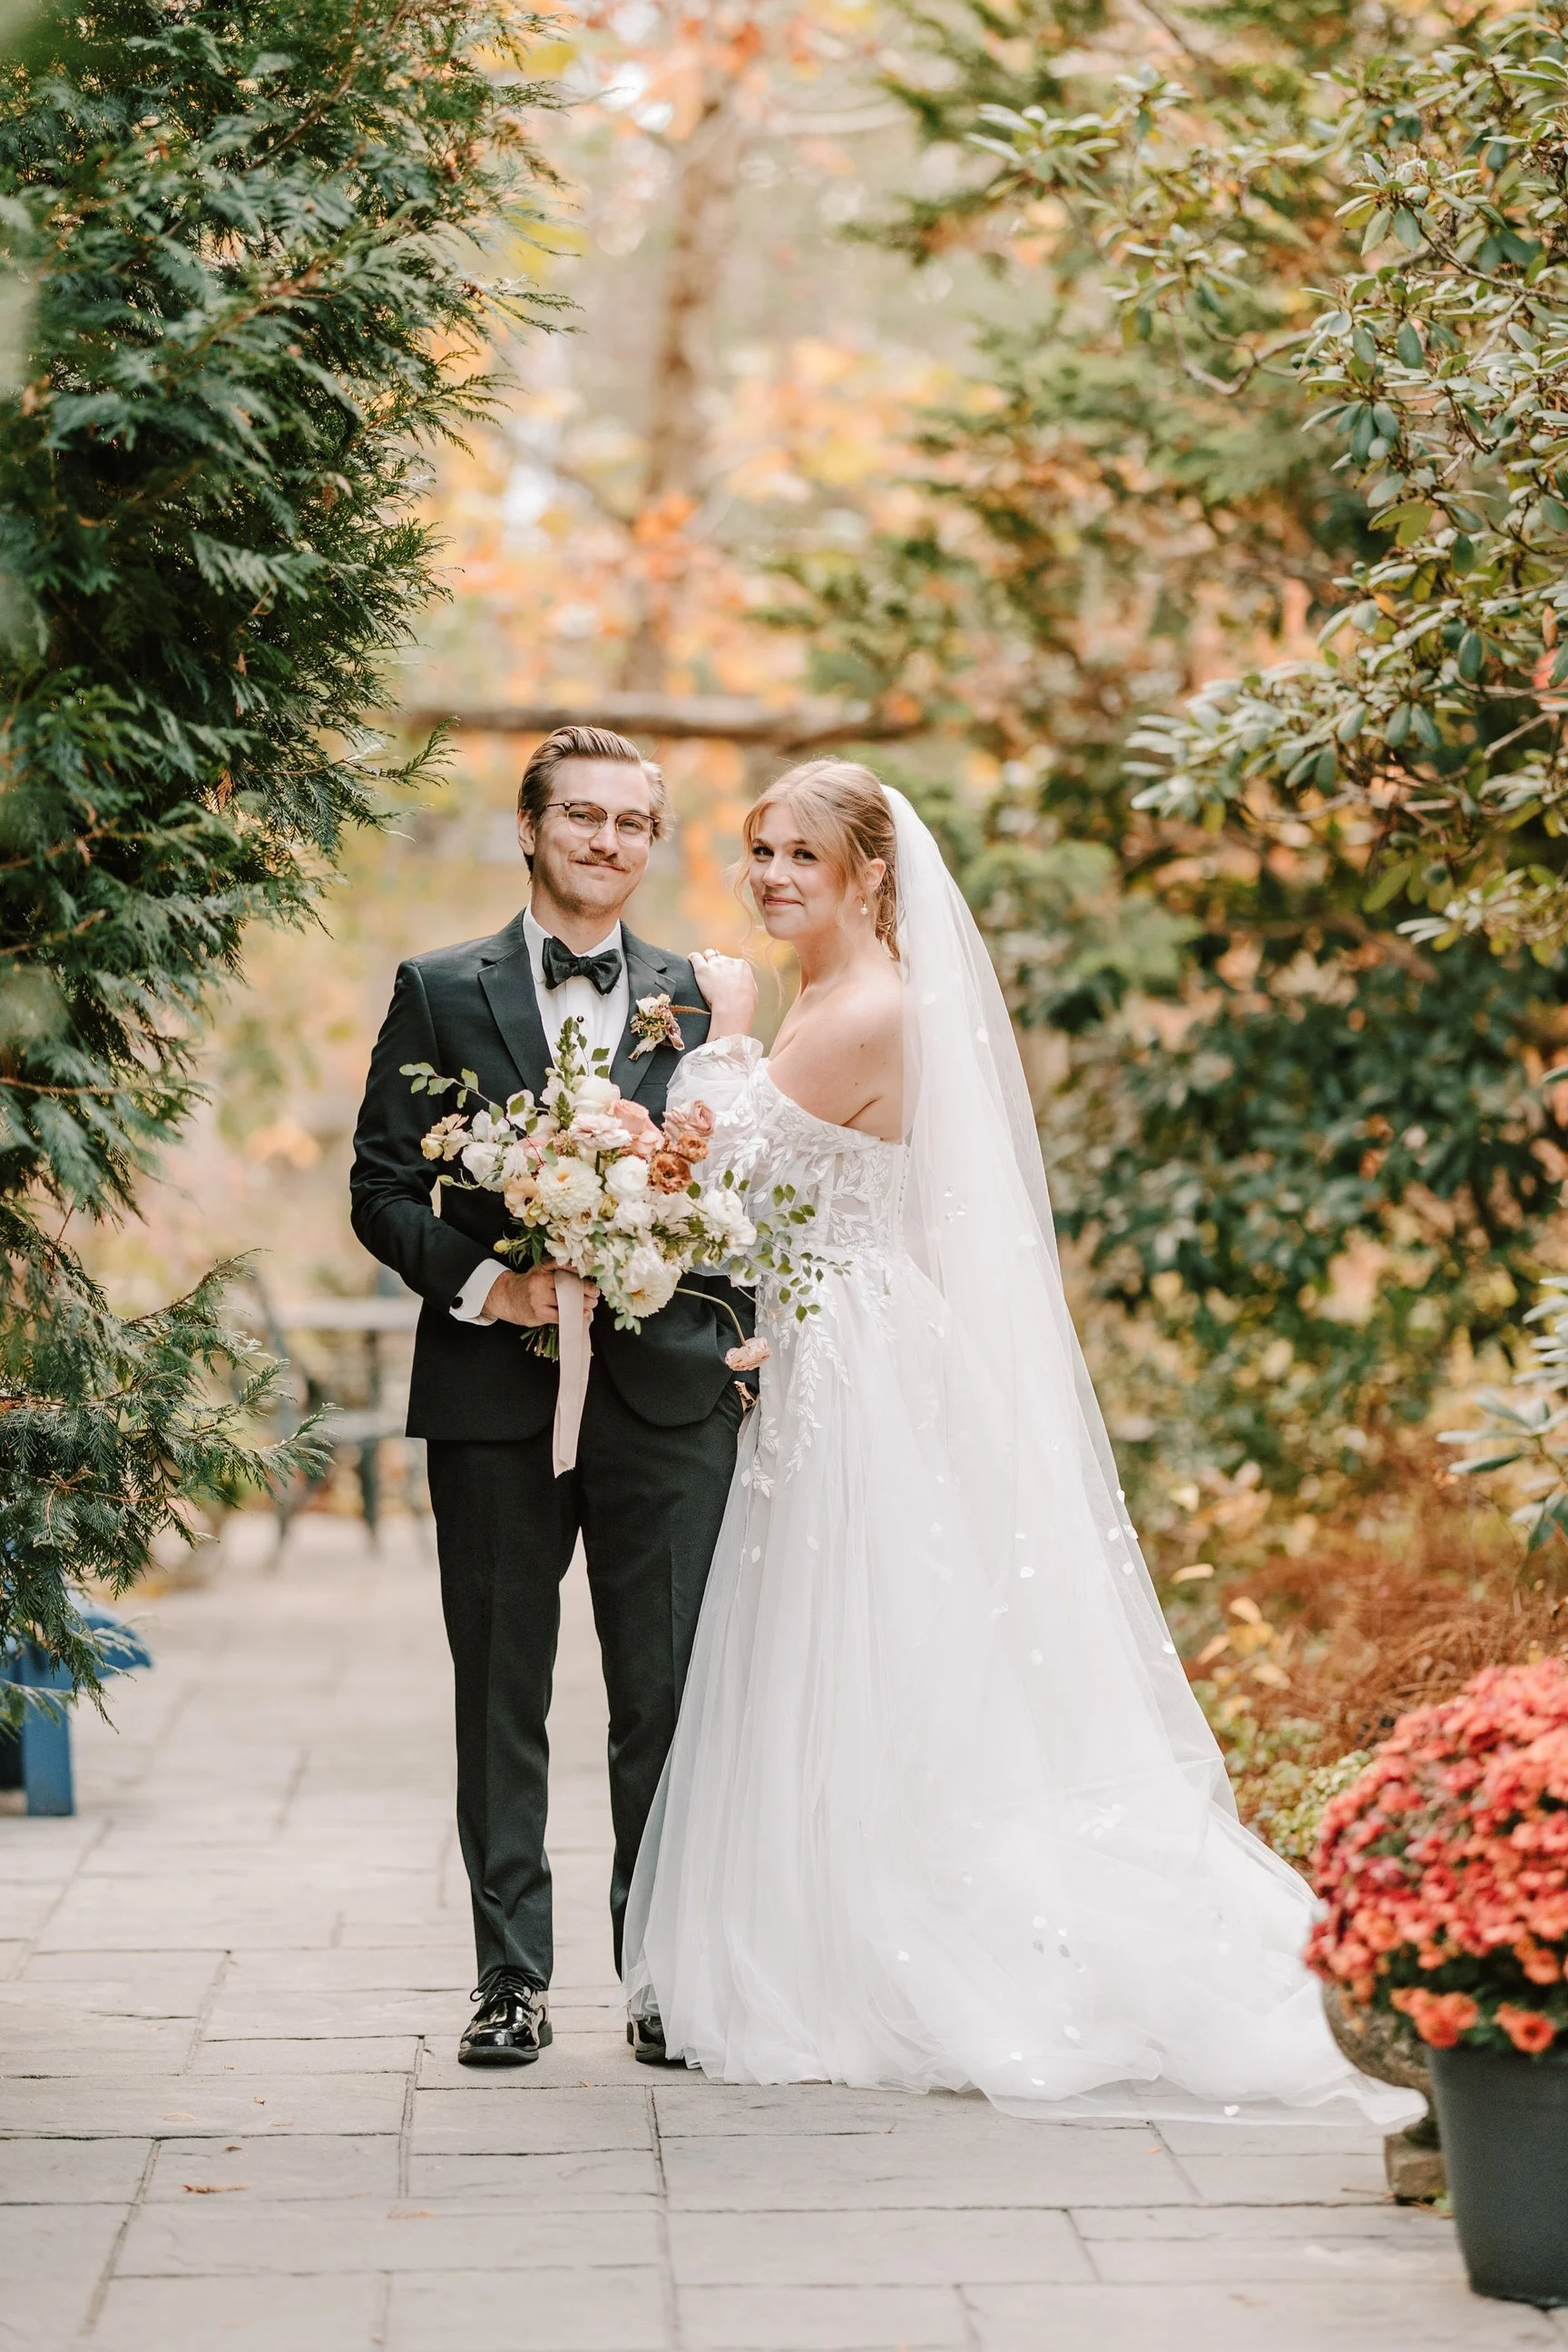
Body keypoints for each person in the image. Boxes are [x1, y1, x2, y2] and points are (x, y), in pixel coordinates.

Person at [622, 759, 1424, 2129]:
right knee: (868, 1647)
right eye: (759, 851)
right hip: (844, 1339)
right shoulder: (852, 994)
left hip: (846, 1358)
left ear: (870, 873)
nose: (768, 877)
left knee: (853, 1643)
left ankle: (870, 1954)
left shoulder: (852, 1009)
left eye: (800, 857)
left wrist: (730, 1021)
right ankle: (830, 1926)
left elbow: (706, 1173)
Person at [349, 725, 753, 2067]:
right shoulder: (438, 988)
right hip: (493, 1398)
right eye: (580, 816)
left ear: (652, 842)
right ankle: (509, 1980)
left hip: (668, 1402)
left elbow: (749, 1192)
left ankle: (660, 1975)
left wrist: (738, 1339)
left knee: (667, 1694)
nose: (606, 842)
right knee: (500, 1694)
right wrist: (489, 1286)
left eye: (632, 823)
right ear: (528, 829)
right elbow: (381, 1188)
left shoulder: (705, 997)